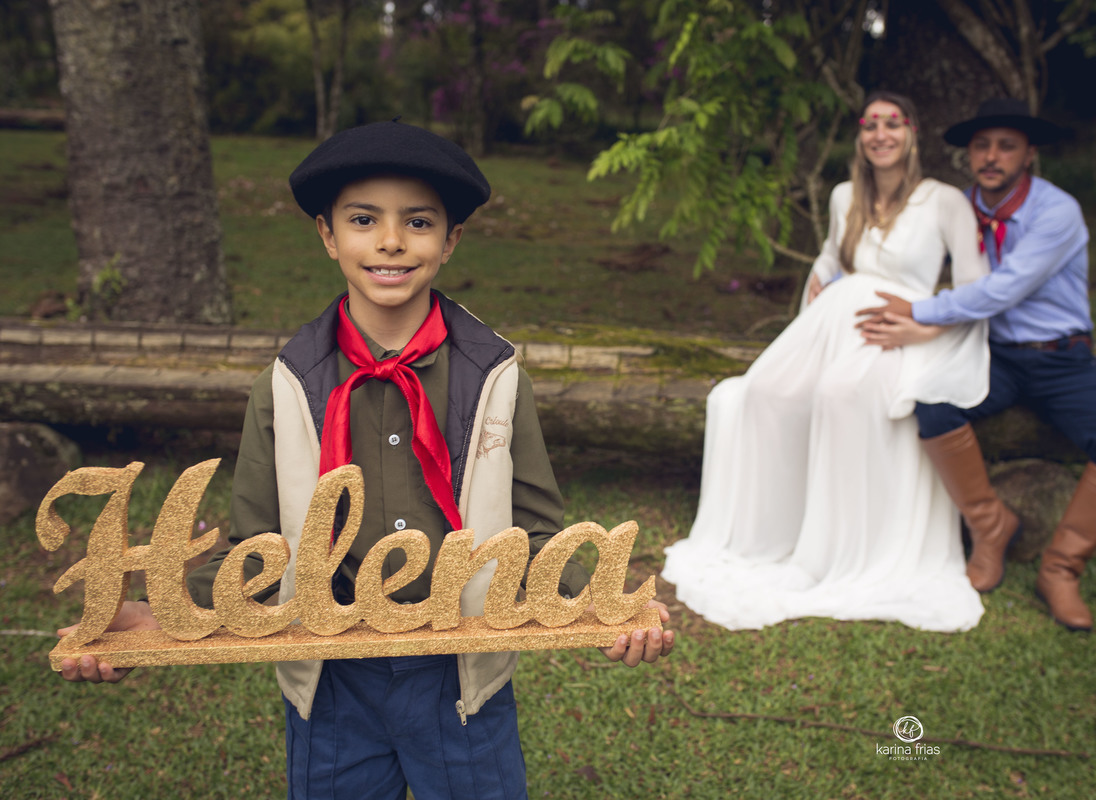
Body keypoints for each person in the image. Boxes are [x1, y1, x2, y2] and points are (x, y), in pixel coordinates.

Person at [56, 119, 674, 798]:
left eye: (417, 221)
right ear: (327, 234)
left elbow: (535, 535)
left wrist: (603, 607)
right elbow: (259, 548)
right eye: (363, 219)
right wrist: (158, 616)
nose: (389, 241)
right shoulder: (287, 383)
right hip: (332, 676)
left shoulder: (493, 374)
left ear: (450, 239)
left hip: (459, 671)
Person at [661, 91, 991, 633]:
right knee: (764, 395)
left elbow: (977, 285)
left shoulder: (944, 201)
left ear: (911, 133)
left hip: (899, 332)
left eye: (892, 123)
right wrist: (821, 276)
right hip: (836, 324)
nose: (880, 133)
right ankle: (774, 534)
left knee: (842, 398)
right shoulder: (844, 197)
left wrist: (922, 325)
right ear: (860, 136)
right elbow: (836, 258)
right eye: (870, 124)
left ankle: (838, 549)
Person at [856, 98, 1096, 632]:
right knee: (933, 403)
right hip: (993, 355)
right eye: (982, 145)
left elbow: (1005, 287)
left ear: (1029, 153)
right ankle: (990, 527)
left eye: (1006, 145)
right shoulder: (959, 205)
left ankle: (1061, 568)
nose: (991, 156)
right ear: (970, 154)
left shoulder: (1055, 211)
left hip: (1062, 358)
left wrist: (920, 312)